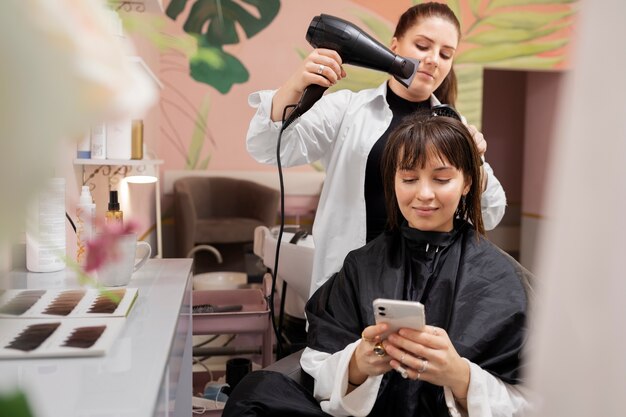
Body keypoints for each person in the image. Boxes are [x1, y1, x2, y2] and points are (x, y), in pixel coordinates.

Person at [223, 112, 531, 417]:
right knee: (254, 393)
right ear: (393, 182)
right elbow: (318, 364)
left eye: (441, 178)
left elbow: (535, 399)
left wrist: (460, 377)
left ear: (467, 183)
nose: (424, 194)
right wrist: (357, 364)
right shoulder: (361, 266)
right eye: (409, 178)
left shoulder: (501, 279)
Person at [246, 2, 507, 296]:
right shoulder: (348, 110)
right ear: (395, 44)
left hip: (423, 284)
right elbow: (268, 147)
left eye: (446, 54)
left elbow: (491, 211)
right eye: (423, 46)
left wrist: (477, 163)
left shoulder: (455, 127)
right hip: (348, 281)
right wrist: (295, 86)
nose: (434, 60)